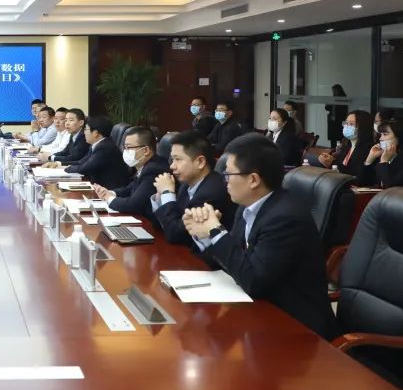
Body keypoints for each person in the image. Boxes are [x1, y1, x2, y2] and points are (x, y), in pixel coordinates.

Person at [182, 134, 339, 341]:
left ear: (254, 180)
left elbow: (253, 280)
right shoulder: (248, 206)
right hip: (260, 310)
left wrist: (216, 232)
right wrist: (205, 234)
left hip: (297, 330)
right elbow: (235, 261)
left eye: (228, 174)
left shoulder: (285, 218)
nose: (224, 181)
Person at [150, 130, 233, 248]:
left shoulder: (212, 192)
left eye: (178, 159)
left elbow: (175, 235)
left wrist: (167, 193)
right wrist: (160, 197)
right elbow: (160, 225)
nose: (172, 166)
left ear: (200, 162)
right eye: (172, 160)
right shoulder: (187, 184)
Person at [93, 126, 169, 219]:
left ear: (146, 150)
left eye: (129, 147)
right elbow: (130, 189)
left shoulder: (154, 170)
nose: (125, 151)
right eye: (124, 147)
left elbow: (133, 204)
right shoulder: (146, 165)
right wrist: (110, 193)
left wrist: (109, 198)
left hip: (150, 223)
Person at [360, 118, 403, 190]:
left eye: (385, 134)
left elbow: (391, 187)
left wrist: (384, 162)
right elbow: (361, 183)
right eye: (380, 134)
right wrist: (369, 159)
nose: (380, 139)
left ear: (399, 137)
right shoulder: (384, 155)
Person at [65, 115, 129, 189]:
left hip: (110, 190)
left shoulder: (105, 148)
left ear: (95, 133)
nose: (84, 133)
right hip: (99, 186)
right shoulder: (97, 144)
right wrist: (62, 165)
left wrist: (66, 169)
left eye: (86, 129)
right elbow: (82, 162)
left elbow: (86, 168)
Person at [311, 110, 373, 178]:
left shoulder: (369, 148)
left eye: (351, 124)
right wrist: (326, 161)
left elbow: (355, 173)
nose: (347, 126)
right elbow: (340, 166)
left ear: (363, 127)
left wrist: (332, 163)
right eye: (346, 123)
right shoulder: (346, 145)